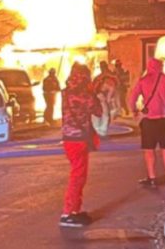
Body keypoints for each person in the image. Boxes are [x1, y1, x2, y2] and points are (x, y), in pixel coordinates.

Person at [59, 63, 102, 228]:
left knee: (78, 174)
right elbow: (98, 111)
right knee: (78, 176)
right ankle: (69, 212)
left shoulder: (66, 92)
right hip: (79, 139)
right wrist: (93, 92)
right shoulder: (85, 95)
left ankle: (75, 210)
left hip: (68, 138)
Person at [128, 58, 165, 187]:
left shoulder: (143, 81)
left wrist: (134, 111)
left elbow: (132, 98)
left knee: (149, 150)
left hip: (149, 120)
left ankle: (152, 178)